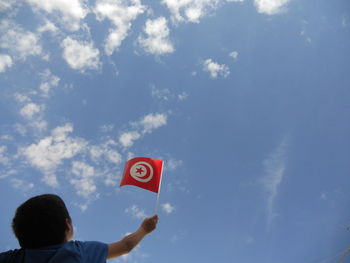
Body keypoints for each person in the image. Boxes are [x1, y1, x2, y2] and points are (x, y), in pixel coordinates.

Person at [0, 194, 158, 263]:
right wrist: (144, 229)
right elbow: (125, 246)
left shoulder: (14, 258)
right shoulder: (80, 252)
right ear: (67, 225)